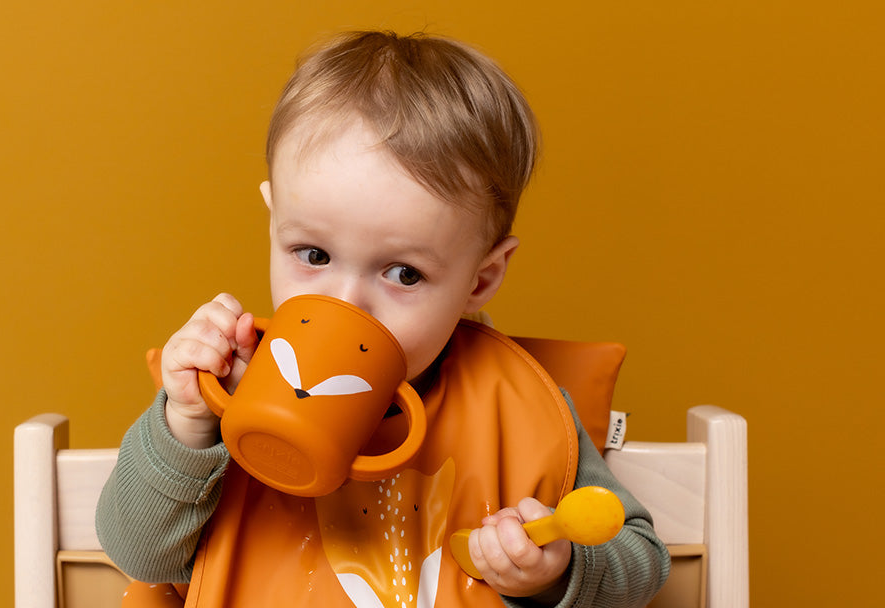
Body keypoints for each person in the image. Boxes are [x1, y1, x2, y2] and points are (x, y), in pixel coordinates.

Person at [96, 30, 669, 607]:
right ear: (274, 227)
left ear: (481, 278)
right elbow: (139, 555)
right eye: (313, 256)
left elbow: (640, 561)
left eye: (403, 274)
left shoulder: (522, 404)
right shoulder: (227, 388)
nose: (347, 303)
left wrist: (556, 572)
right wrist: (188, 428)